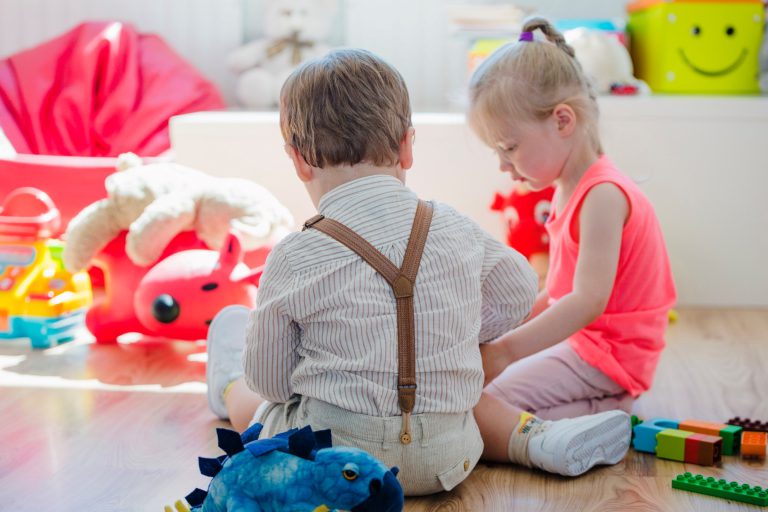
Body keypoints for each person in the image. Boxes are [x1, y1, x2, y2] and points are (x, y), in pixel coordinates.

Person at [205, 48, 631, 496]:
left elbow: (272, 382)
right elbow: (520, 289)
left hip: (334, 463)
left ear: (298, 161)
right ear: (407, 146)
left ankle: (225, 381)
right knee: (460, 402)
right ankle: (535, 440)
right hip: (450, 459)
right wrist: (451, 331)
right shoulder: (456, 229)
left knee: (257, 404)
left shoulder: (294, 255)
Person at [467, 18, 677, 421]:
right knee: (478, 390)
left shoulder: (602, 196)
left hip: (608, 356)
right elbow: (560, 294)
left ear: (562, 121)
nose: (503, 166)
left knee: (479, 408)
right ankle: (603, 407)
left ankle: (609, 407)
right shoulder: (570, 186)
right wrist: (496, 333)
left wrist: (505, 352)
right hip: (587, 343)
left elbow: (586, 302)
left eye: (509, 147)